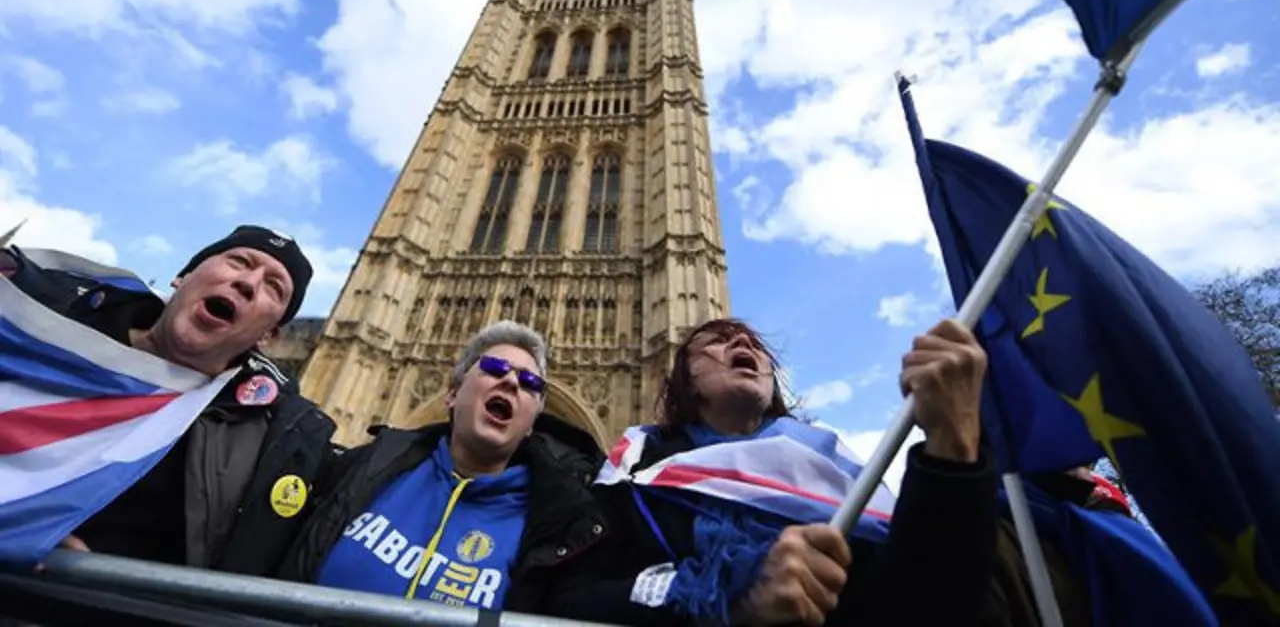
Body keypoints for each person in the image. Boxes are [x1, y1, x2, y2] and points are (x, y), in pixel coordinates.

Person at [544, 317, 1001, 626]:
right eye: (717, 341)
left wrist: (952, 449)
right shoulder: (637, 470)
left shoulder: (832, 469)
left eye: (754, 345)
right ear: (688, 381)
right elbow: (566, 603)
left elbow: (935, 600)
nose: (744, 343)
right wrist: (727, 594)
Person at [0, 225, 336, 576]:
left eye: (273, 286)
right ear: (182, 277)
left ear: (268, 336)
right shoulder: (41, 318)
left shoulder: (268, 437)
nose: (248, 282)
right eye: (239, 261)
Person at [276, 320, 607, 616]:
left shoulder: (560, 528)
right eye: (494, 367)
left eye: (530, 381)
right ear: (451, 394)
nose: (511, 381)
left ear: (533, 423)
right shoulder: (363, 469)